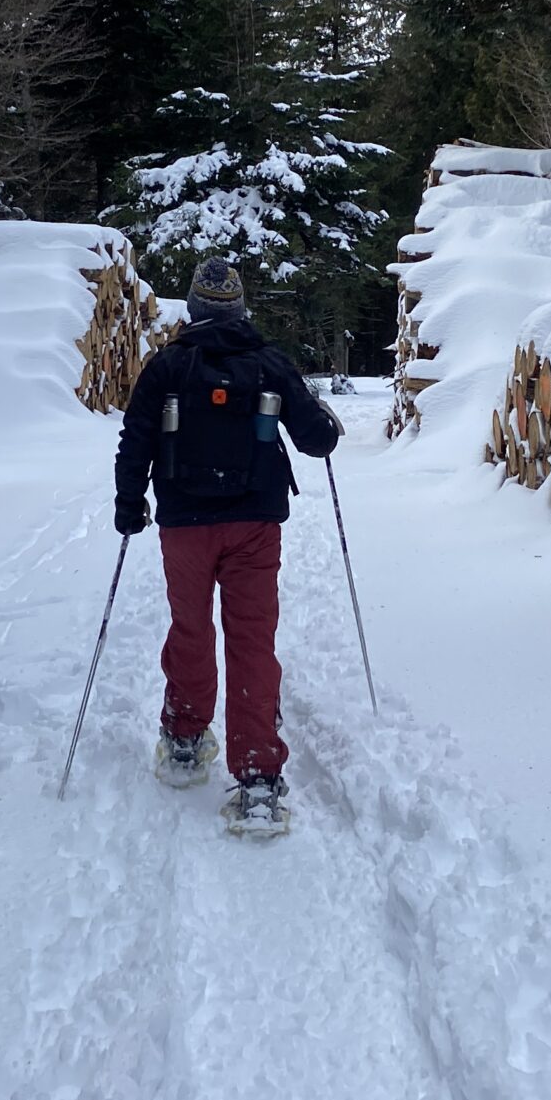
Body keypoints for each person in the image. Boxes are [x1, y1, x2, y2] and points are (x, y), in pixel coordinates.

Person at [114, 257, 340, 838]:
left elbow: (135, 436)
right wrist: (328, 423)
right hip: (255, 523)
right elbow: (315, 439)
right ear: (240, 308)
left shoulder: (166, 366)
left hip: (184, 523)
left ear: (193, 309)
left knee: (191, 629)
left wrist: (127, 504)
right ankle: (259, 779)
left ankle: (186, 741)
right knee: (251, 638)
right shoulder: (269, 363)